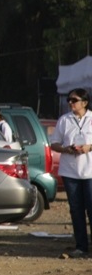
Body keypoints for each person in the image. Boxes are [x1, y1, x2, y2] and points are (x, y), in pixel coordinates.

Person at [49, 88, 92, 258]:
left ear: (84, 102)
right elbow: (54, 144)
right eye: (69, 100)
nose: (70, 103)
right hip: (70, 171)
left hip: (89, 171)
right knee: (76, 209)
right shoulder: (64, 120)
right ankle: (81, 246)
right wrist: (66, 149)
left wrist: (89, 147)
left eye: (74, 100)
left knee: (91, 208)